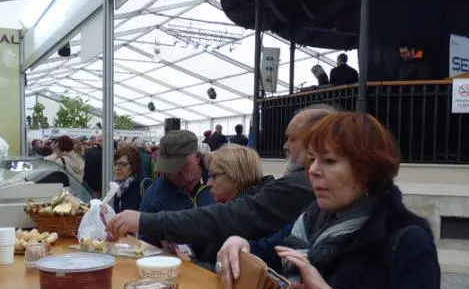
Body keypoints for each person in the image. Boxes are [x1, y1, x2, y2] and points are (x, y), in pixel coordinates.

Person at [216, 112, 444, 289]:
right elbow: (268, 250)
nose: (313, 170)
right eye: (312, 159)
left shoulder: (406, 238)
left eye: (329, 161)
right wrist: (238, 242)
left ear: (367, 171)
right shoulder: (312, 220)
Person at [107, 105, 336, 251]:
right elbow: (267, 250)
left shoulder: (297, 188)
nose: (285, 145)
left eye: (331, 161)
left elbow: (226, 220)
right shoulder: (299, 191)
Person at [138, 130, 214, 250]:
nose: (173, 172)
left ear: (197, 157)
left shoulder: (218, 183)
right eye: (168, 166)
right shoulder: (155, 194)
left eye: (179, 165)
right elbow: (144, 240)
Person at [112, 145, 144, 213]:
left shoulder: (142, 187)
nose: (117, 168)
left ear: (134, 165)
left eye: (122, 164)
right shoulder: (118, 186)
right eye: (115, 164)